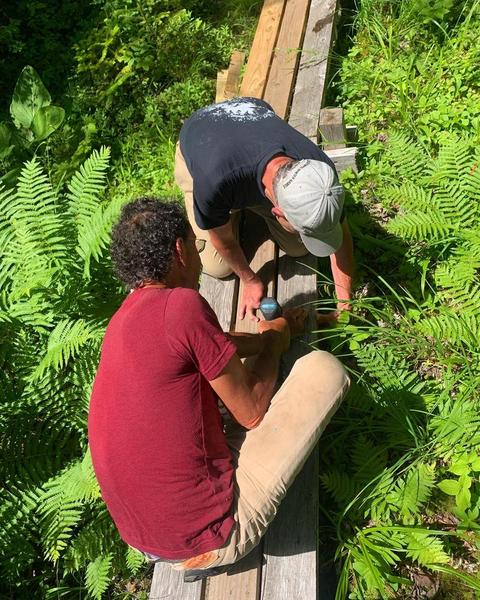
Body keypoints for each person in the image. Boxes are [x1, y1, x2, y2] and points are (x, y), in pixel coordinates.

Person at [88, 198, 350, 582]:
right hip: (212, 532)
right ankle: (220, 555)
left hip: (147, 541)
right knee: (323, 369)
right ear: (180, 250)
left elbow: (214, 342)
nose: (198, 255)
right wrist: (276, 346)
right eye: (195, 246)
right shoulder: (182, 305)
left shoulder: (121, 323)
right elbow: (252, 410)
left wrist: (268, 336)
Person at [176, 96, 354, 323]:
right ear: (277, 212)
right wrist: (250, 280)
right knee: (218, 267)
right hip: (200, 135)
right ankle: (233, 211)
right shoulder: (214, 183)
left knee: (298, 248)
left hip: (250, 121)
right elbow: (224, 242)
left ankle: (243, 210)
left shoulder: (320, 174)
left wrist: (346, 303)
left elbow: (339, 233)